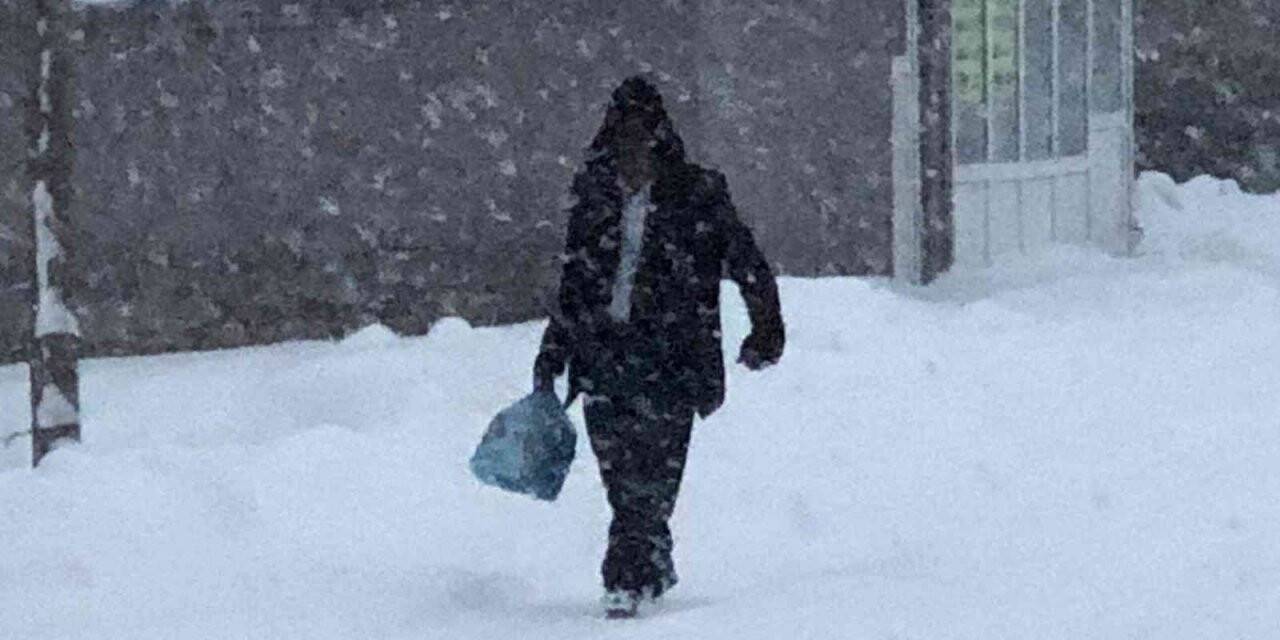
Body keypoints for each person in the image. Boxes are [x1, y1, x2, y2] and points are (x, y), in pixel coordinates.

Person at [533, 76, 785, 618]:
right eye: (622, 139)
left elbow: (746, 261)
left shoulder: (697, 194)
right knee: (621, 478)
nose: (632, 151)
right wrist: (553, 353)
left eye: (641, 138)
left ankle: (624, 577)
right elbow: (574, 282)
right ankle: (649, 559)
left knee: (651, 476)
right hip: (602, 356)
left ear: (660, 139)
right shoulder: (593, 197)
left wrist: (766, 327)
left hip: (672, 358)